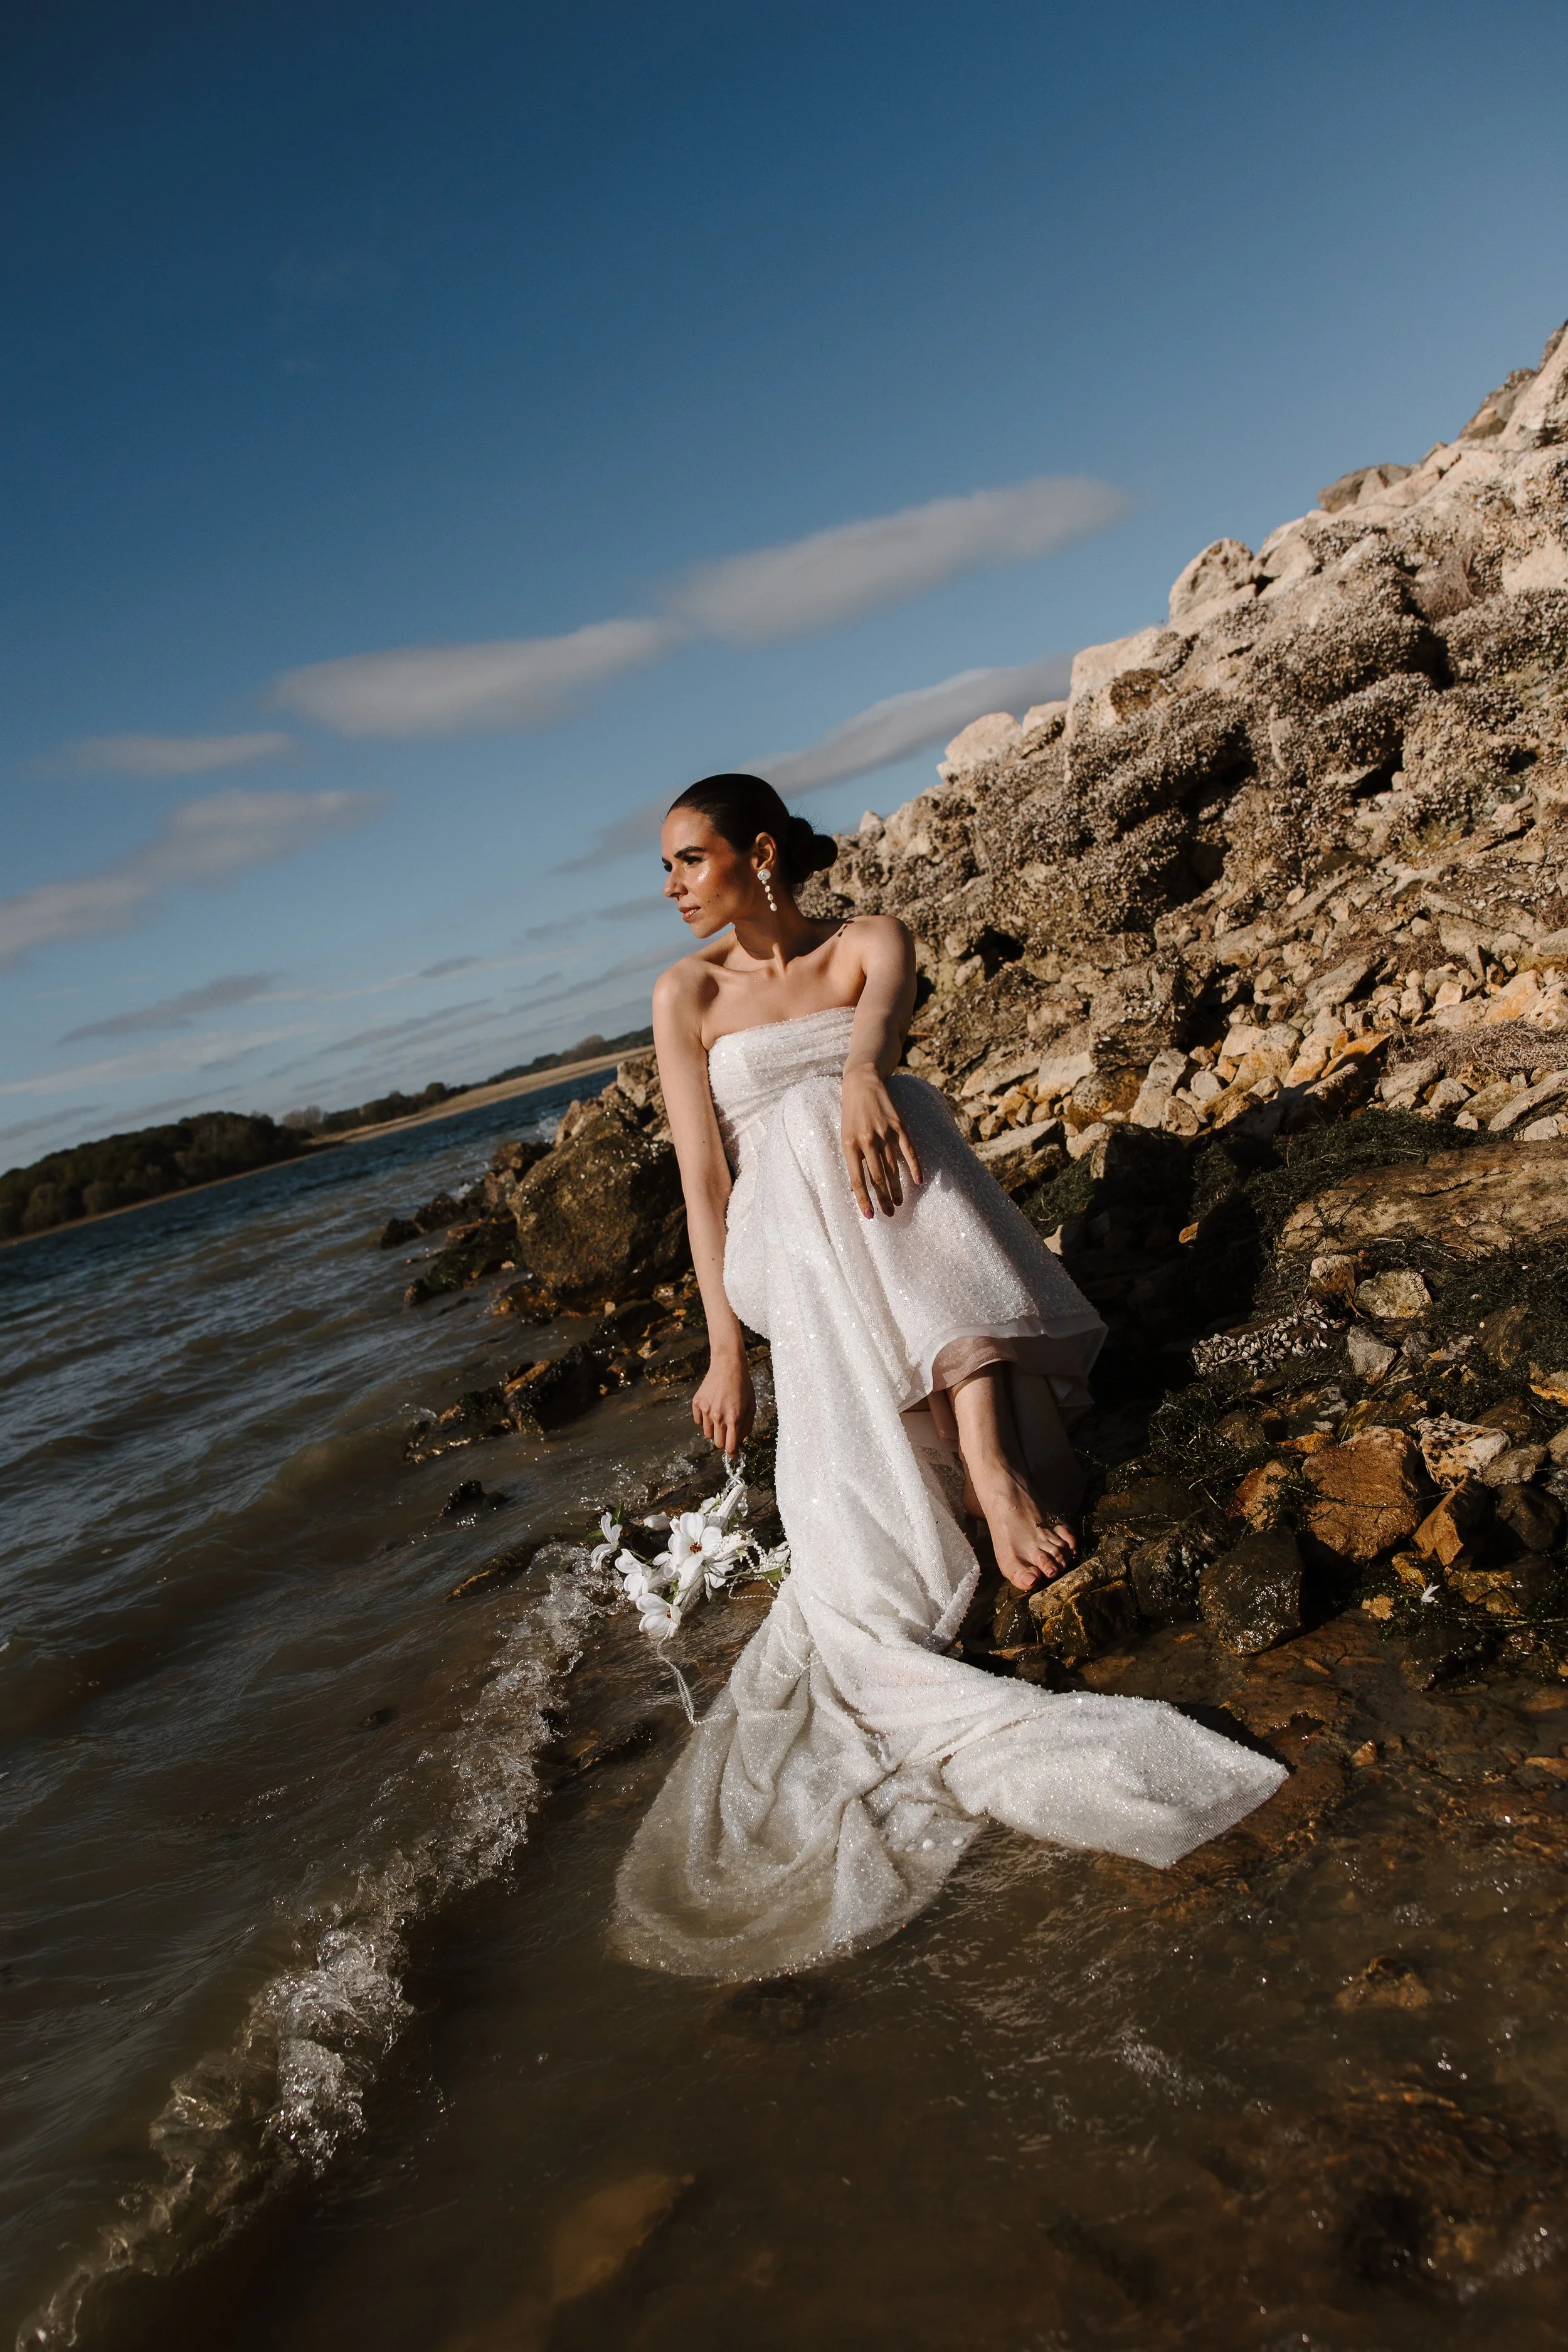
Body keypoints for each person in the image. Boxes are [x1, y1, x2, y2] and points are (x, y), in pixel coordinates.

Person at [613, 775, 1285, 1979]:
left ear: (758, 854)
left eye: (688, 860)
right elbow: (704, 1183)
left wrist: (864, 1072)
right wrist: (724, 1350)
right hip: (787, 1252)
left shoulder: (872, 940)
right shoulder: (687, 995)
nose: (670, 887)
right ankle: (985, 1449)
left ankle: (977, 1446)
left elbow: (874, 1041)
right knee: (816, 1122)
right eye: (665, 868)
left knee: (867, 1097)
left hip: (891, 1208)